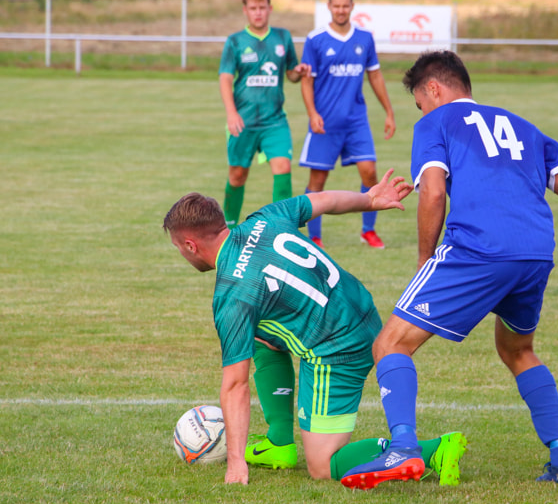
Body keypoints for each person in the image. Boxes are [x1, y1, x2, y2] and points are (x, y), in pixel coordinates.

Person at [340, 51, 558, 490]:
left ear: (434, 90)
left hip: (479, 248)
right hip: (536, 253)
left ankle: (403, 448)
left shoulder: (435, 124)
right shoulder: (526, 129)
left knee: (389, 345)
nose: (422, 110)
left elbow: (433, 193)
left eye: (420, 102)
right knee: (517, 350)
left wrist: (425, 264)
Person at [162, 169, 467, 486]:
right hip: (361, 309)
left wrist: (236, 463)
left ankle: (433, 451)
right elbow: (323, 200)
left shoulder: (233, 295)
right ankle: (279, 442)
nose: (181, 253)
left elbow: (235, 385)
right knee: (260, 334)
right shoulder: (265, 217)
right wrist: (369, 199)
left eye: (178, 247)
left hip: (338, 349)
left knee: (321, 466)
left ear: (190, 244)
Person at [299, 0, 396, 249]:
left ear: (352, 7)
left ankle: (368, 231)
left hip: (357, 121)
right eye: (336, 5)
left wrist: (389, 111)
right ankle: (314, 237)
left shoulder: (364, 38)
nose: (341, 10)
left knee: (370, 172)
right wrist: (312, 114)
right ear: (329, 7)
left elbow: (374, 75)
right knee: (317, 181)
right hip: (326, 122)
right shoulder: (316, 39)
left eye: (345, 5)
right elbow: (306, 81)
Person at [218, 0, 310, 228]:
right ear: (245, 11)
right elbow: (225, 77)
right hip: (243, 120)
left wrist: (297, 72)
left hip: (274, 120)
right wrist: (231, 113)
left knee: (283, 166)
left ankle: (282, 227)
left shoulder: (283, 38)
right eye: (253, 8)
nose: (258, 12)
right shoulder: (235, 42)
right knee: (237, 175)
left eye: (262, 8)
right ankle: (227, 228)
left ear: (269, 9)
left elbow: (290, 73)